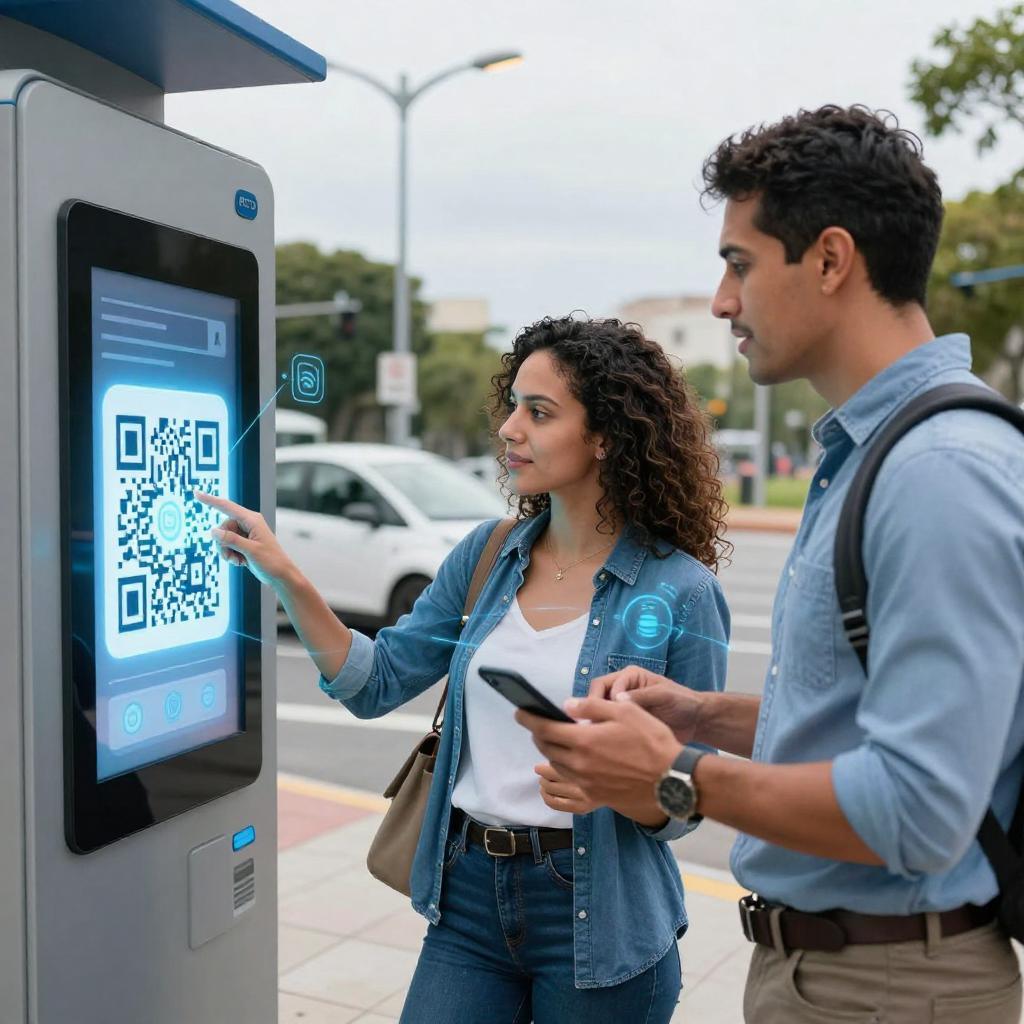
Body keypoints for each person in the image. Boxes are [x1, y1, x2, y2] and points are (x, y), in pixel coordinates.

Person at [517, 105, 1024, 1023]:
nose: (721, 300)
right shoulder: (875, 454)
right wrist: (703, 714)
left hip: (891, 988)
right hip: (838, 972)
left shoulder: (936, 472)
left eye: (739, 263)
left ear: (831, 261)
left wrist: (675, 774)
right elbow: (865, 716)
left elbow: (920, 808)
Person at [198, 315, 731, 1022]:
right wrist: (287, 576)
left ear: (605, 436)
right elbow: (376, 681)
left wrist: (618, 786)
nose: (510, 428)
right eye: (512, 405)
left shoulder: (683, 592)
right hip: (470, 897)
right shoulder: (489, 554)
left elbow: (688, 799)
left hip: (601, 914)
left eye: (538, 412)